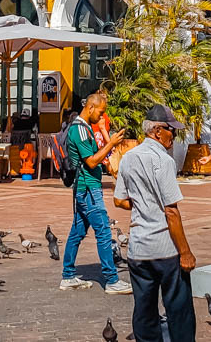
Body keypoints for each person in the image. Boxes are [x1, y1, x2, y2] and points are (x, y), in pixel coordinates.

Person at [113, 105, 196, 342]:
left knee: (144, 312)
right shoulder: (163, 160)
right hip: (165, 248)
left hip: (139, 249)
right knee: (179, 312)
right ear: (158, 131)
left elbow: (120, 200)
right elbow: (171, 211)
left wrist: (142, 205)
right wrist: (186, 251)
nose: (174, 136)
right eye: (172, 130)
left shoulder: (128, 158)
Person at [61, 92, 131, 294]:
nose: (102, 117)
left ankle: (68, 275)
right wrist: (111, 143)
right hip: (89, 189)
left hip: (85, 188)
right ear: (90, 108)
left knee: (77, 232)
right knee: (103, 232)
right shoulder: (80, 130)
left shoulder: (83, 128)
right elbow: (91, 161)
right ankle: (111, 280)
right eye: (100, 112)